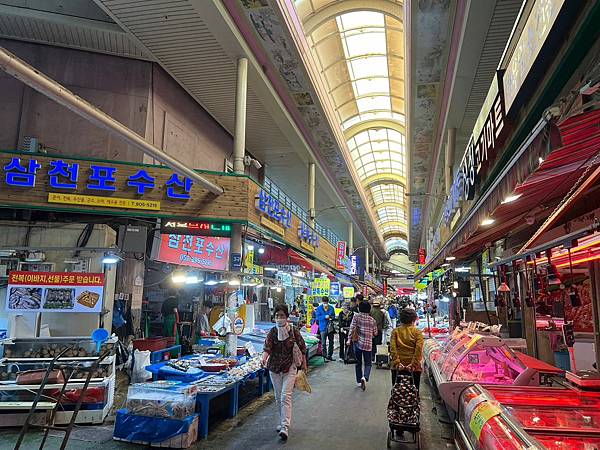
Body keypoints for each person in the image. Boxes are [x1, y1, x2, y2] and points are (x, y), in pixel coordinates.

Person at [262, 304, 307, 441]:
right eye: (276, 316)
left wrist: (304, 364)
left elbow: (302, 347)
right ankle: (282, 421)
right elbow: (267, 348)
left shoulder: (293, 331)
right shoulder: (272, 332)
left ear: (287, 317)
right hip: (274, 368)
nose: (279, 318)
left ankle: (285, 426)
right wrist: (263, 359)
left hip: (290, 367)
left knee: (285, 396)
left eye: (281, 316)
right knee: (277, 397)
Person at [389, 308, 424, 391]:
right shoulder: (417, 332)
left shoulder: (395, 331)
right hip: (414, 368)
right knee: (413, 393)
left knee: (398, 393)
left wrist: (398, 363)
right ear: (414, 319)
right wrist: (413, 364)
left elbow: (393, 349)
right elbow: (418, 350)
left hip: (397, 367)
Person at [347, 301, 377, 391]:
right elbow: (375, 333)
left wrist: (348, 339)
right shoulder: (372, 320)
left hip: (357, 344)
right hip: (368, 344)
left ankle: (359, 381)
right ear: (369, 309)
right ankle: (365, 377)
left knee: (358, 363)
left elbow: (352, 328)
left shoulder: (356, 317)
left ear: (359, 308)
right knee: (368, 364)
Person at [315, 296, 336, 361]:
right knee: (323, 343)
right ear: (322, 302)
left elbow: (333, 316)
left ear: (328, 302)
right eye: (324, 302)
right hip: (322, 327)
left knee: (331, 342)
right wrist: (324, 316)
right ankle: (324, 356)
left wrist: (331, 317)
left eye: (326, 302)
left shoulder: (331, 308)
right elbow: (317, 318)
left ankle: (329, 356)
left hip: (330, 327)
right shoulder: (319, 308)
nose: (325, 303)